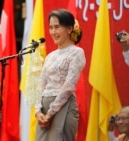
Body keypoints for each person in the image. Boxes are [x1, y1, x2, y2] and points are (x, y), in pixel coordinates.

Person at [34, 9, 86, 141]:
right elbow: (41, 84)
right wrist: (38, 111)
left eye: (57, 27)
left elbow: (68, 85)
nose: (53, 32)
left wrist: (51, 112)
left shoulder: (77, 52)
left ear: (69, 29)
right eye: (51, 28)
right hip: (45, 108)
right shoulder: (50, 56)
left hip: (64, 105)